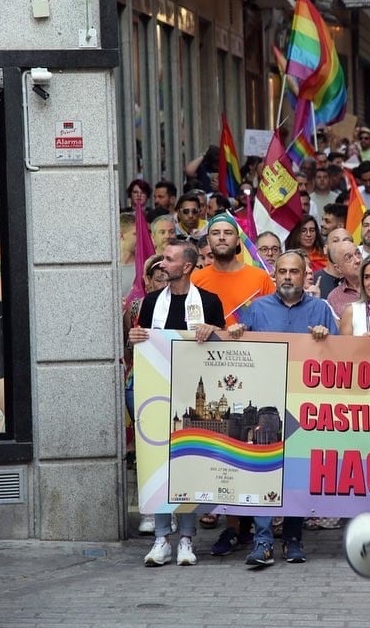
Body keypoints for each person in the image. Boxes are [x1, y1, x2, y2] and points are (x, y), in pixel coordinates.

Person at [228, 251, 338, 566]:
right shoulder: (256, 308)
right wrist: (237, 332)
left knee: (296, 472)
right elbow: (236, 343)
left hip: (305, 404)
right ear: (274, 275)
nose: (288, 277)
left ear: (306, 275)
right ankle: (262, 542)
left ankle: (293, 539)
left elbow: (341, 355)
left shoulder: (321, 309)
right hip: (266, 405)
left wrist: (326, 338)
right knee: (265, 469)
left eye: (294, 271)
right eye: (282, 271)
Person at [128, 240, 226, 568]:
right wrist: (135, 338)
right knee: (159, 463)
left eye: (168, 259)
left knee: (188, 464)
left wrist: (213, 330)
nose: (161, 264)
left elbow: (224, 347)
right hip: (157, 394)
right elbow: (141, 343)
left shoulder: (210, 302)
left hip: (192, 396)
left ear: (186, 266)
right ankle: (160, 539)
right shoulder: (152, 301)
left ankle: (185, 539)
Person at [191, 215, 276, 326]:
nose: (221, 237)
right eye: (216, 233)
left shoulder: (260, 277)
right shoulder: (194, 280)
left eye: (228, 233)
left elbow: (274, 318)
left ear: (237, 241)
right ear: (208, 240)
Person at [325, 240, 362, 319]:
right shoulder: (334, 298)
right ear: (338, 268)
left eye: (358, 253)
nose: (357, 260)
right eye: (349, 258)